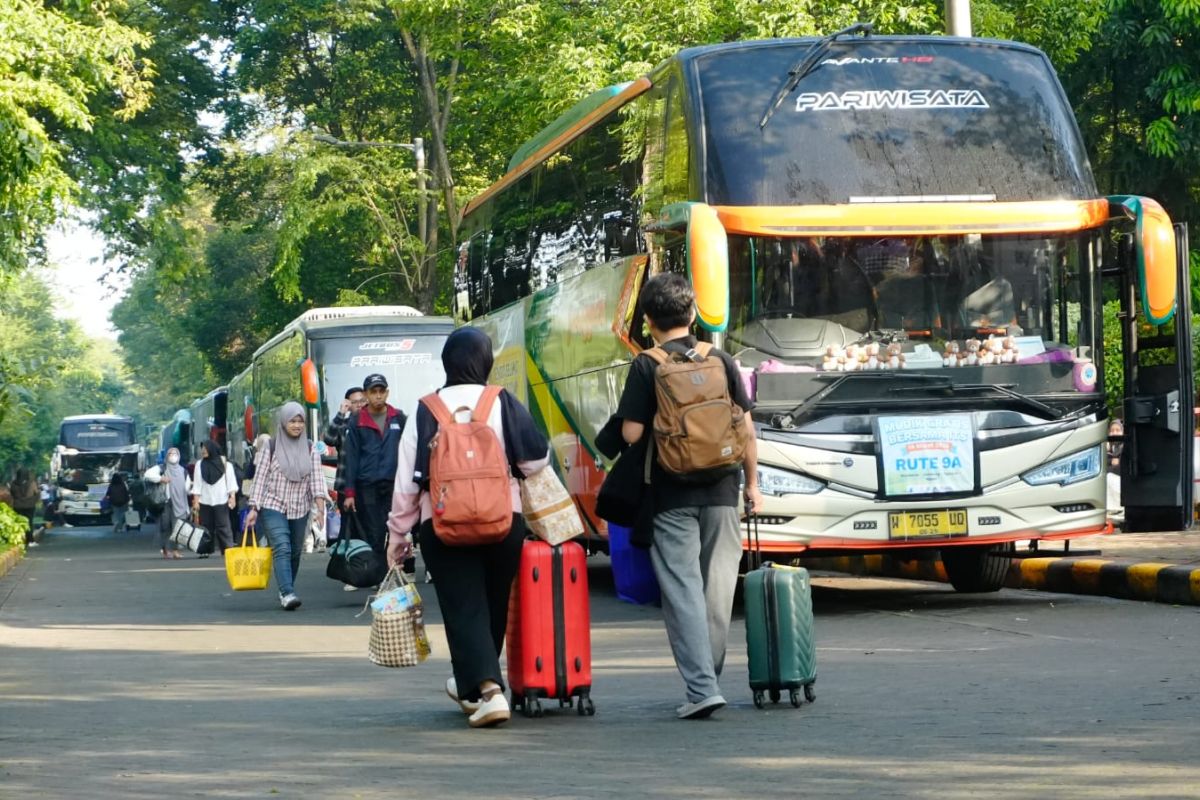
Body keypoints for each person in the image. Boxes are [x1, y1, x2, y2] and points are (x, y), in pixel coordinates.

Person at [616, 272, 762, 720]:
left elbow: (632, 433)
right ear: (693, 313)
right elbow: (746, 427)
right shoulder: (720, 359)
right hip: (723, 487)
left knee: (683, 591)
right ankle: (708, 679)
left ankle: (701, 687)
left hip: (670, 495)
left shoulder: (647, 364)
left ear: (648, 320)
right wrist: (752, 485)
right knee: (717, 591)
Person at [387, 327, 549, 729]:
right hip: (502, 521)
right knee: (492, 606)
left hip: (443, 524)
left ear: (447, 362)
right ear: (486, 360)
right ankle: (474, 685)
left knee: (464, 608)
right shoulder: (503, 401)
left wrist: (397, 534)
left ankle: (489, 691)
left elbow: (407, 480)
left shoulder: (427, 409)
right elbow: (535, 462)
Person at [245, 402, 327, 611]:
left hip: (300, 506)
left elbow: (317, 480)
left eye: (300, 421)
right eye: (292, 421)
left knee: (295, 551)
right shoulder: (269, 447)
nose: (297, 425)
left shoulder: (310, 448)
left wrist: (320, 509)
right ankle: (287, 592)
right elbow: (260, 478)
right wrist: (254, 508)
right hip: (273, 504)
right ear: (283, 422)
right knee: (281, 546)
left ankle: (286, 586)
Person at [342, 374, 406, 564]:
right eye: (373, 392)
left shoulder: (399, 417)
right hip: (367, 484)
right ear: (366, 395)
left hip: (394, 483)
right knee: (374, 531)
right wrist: (349, 492)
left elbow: (408, 451)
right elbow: (351, 457)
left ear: (387, 393)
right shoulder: (356, 420)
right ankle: (380, 576)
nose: (378, 396)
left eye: (381, 391)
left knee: (395, 530)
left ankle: (395, 570)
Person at [191, 440, 237, 555]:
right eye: (202, 448)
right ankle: (205, 550)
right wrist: (196, 501)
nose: (203, 451)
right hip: (205, 500)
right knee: (206, 527)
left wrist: (232, 497)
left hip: (221, 499)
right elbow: (197, 484)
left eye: (206, 448)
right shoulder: (199, 465)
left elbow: (231, 483)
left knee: (223, 525)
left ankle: (227, 549)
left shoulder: (226, 464)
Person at [151, 449, 189, 559]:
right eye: (170, 454)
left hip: (180, 503)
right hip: (166, 502)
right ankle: (165, 549)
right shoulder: (162, 468)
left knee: (177, 527)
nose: (173, 456)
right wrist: (161, 478)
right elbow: (148, 475)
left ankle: (176, 550)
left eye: (175, 454)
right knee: (165, 526)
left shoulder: (183, 471)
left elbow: (187, 489)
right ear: (167, 456)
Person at [10, 468, 39, 548]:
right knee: (29, 522)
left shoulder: (13, 484)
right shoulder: (31, 483)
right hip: (29, 506)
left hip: (18, 506)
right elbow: (36, 493)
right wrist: (34, 500)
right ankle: (30, 540)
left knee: (19, 523)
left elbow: (12, 493)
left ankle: (19, 539)